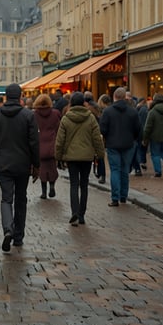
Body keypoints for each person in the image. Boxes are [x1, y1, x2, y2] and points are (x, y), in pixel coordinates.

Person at [0, 84, 39, 251]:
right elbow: (34, 143)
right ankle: (18, 236)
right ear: (20, 96)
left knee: (6, 198)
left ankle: (8, 228)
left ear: (6, 96)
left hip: (2, 163)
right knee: (21, 199)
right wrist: (36, 165)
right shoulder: (28, 115)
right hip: (22, 164)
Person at [55, 92, 105, 226]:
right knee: (84, 185)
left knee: (74, 184)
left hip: (71, 157)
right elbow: (97, 138)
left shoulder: (66, 119)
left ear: (71, 103)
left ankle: (74, 213)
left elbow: (60, 140)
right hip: (87, 157)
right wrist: (100, 155)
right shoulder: (91, 118)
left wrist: (58, 157)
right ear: (84, 103)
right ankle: (82, 215)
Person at [99, 87, 141, 207]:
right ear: (125, 97)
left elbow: (103, 129)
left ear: (114, 97)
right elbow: (138, 129)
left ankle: (115, 198)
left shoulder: (108, 112)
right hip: (128, 144)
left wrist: (108, 138)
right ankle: (123, 196)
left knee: (115, 170)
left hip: (113, 145)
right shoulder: (132, 111)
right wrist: (133, 138)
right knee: (124, 170)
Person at [33, 94, 61, 199]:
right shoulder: (55, 113)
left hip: (40, 143)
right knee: (52, 167)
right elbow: (59, 128)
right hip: (52, 144)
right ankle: (52, 186)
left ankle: (44, 192)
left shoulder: (35, 114)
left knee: (42, 169)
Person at [142, 93, 163, 178]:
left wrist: (145, 139)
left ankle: (158, 172)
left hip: (155, 137)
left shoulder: (152, 112)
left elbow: (147, 127)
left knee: (155, 154)